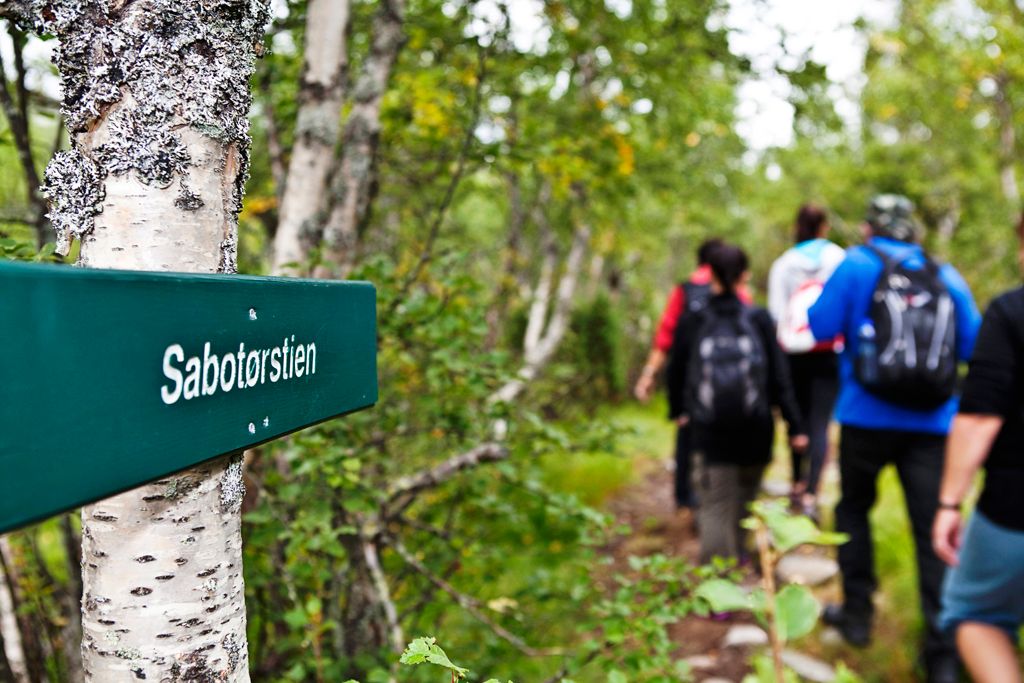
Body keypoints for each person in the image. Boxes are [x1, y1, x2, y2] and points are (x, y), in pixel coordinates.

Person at [808, 194, 980, 683]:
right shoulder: (943, 273)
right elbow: (972, 342)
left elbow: (819, 325)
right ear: (913, 230)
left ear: (870, 227)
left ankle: (858, 617)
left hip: (865, 417)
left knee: (853, 511)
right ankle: (942, 655)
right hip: (932, 425)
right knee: (935, 531)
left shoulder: (856, 264)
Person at [666, 243, 808, 562]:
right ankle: (738, 558)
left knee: (715, 504)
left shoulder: (694, 320)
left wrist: (679, 411)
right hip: (756, 428)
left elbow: (676, 372)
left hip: (709, 431)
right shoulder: (758, 320)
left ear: (710, 275)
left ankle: (720, 592)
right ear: (745, 275)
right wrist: (795, 427)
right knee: (745, 498)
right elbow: (780, 379)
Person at [933, 213, 1024, 683]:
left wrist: (950, 502)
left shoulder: (1011, 311)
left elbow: (980, 419)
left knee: (976, 612)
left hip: (1013, 509)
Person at [635, 238, 751, 510]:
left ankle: (684, 498)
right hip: (731, 389)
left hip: (690, 383)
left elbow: (665, 338)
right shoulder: (740, 293)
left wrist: (649, 375)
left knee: (687, 439)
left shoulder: (684, 290)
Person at [768, 203, 845, 518]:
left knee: (795, 420)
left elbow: (777, 313)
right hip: (828, 352)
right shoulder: (839, 258)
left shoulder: (784, 264)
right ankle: (812, 491)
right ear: (824, 226)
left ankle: (795, 485)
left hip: (793, 352)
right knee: (820, 423)